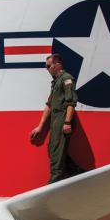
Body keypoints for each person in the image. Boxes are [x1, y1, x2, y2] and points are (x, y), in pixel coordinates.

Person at [29, 53, 78, 183]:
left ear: (57, 65)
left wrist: (67, 122)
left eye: (49, 66)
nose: (47, 69)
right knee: (52, 150)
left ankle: (52, 186)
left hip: (62, 121)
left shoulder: (67, 79)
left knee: (56, 155)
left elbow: (71, 102)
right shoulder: (56, 82)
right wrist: (40, 127)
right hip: (55, 122)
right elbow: (49, 105)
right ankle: (75, 172)